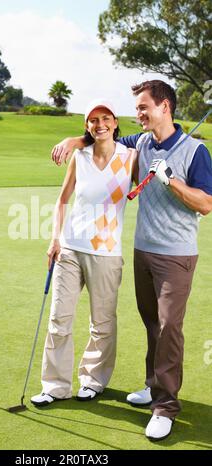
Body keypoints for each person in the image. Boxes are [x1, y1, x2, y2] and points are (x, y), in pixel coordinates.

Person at [50, 80, 212, 441]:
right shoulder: (140, 143)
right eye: (136, 108)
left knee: (170, 326)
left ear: (165, 107)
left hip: (177, 255)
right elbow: (100, 139)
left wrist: (173, 182)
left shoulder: (195, 151)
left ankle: (166, 406)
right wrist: (73, 141)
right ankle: (153, 386)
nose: (137, 114)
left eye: (144, 107)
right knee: (152, 323)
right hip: (143, 251)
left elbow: (206, 203)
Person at [31, 99, 137, 407]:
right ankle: (55, 386)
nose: (99, 124)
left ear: (116, 122)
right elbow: (62, 200)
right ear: (86, 127)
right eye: (93, 120)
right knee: (58, 318)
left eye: (105, 118)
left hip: (107, 253)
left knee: (102, 323)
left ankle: (93, 381)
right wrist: (54, 240)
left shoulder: (130, 157)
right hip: (71, 248)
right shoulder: (81, 155)